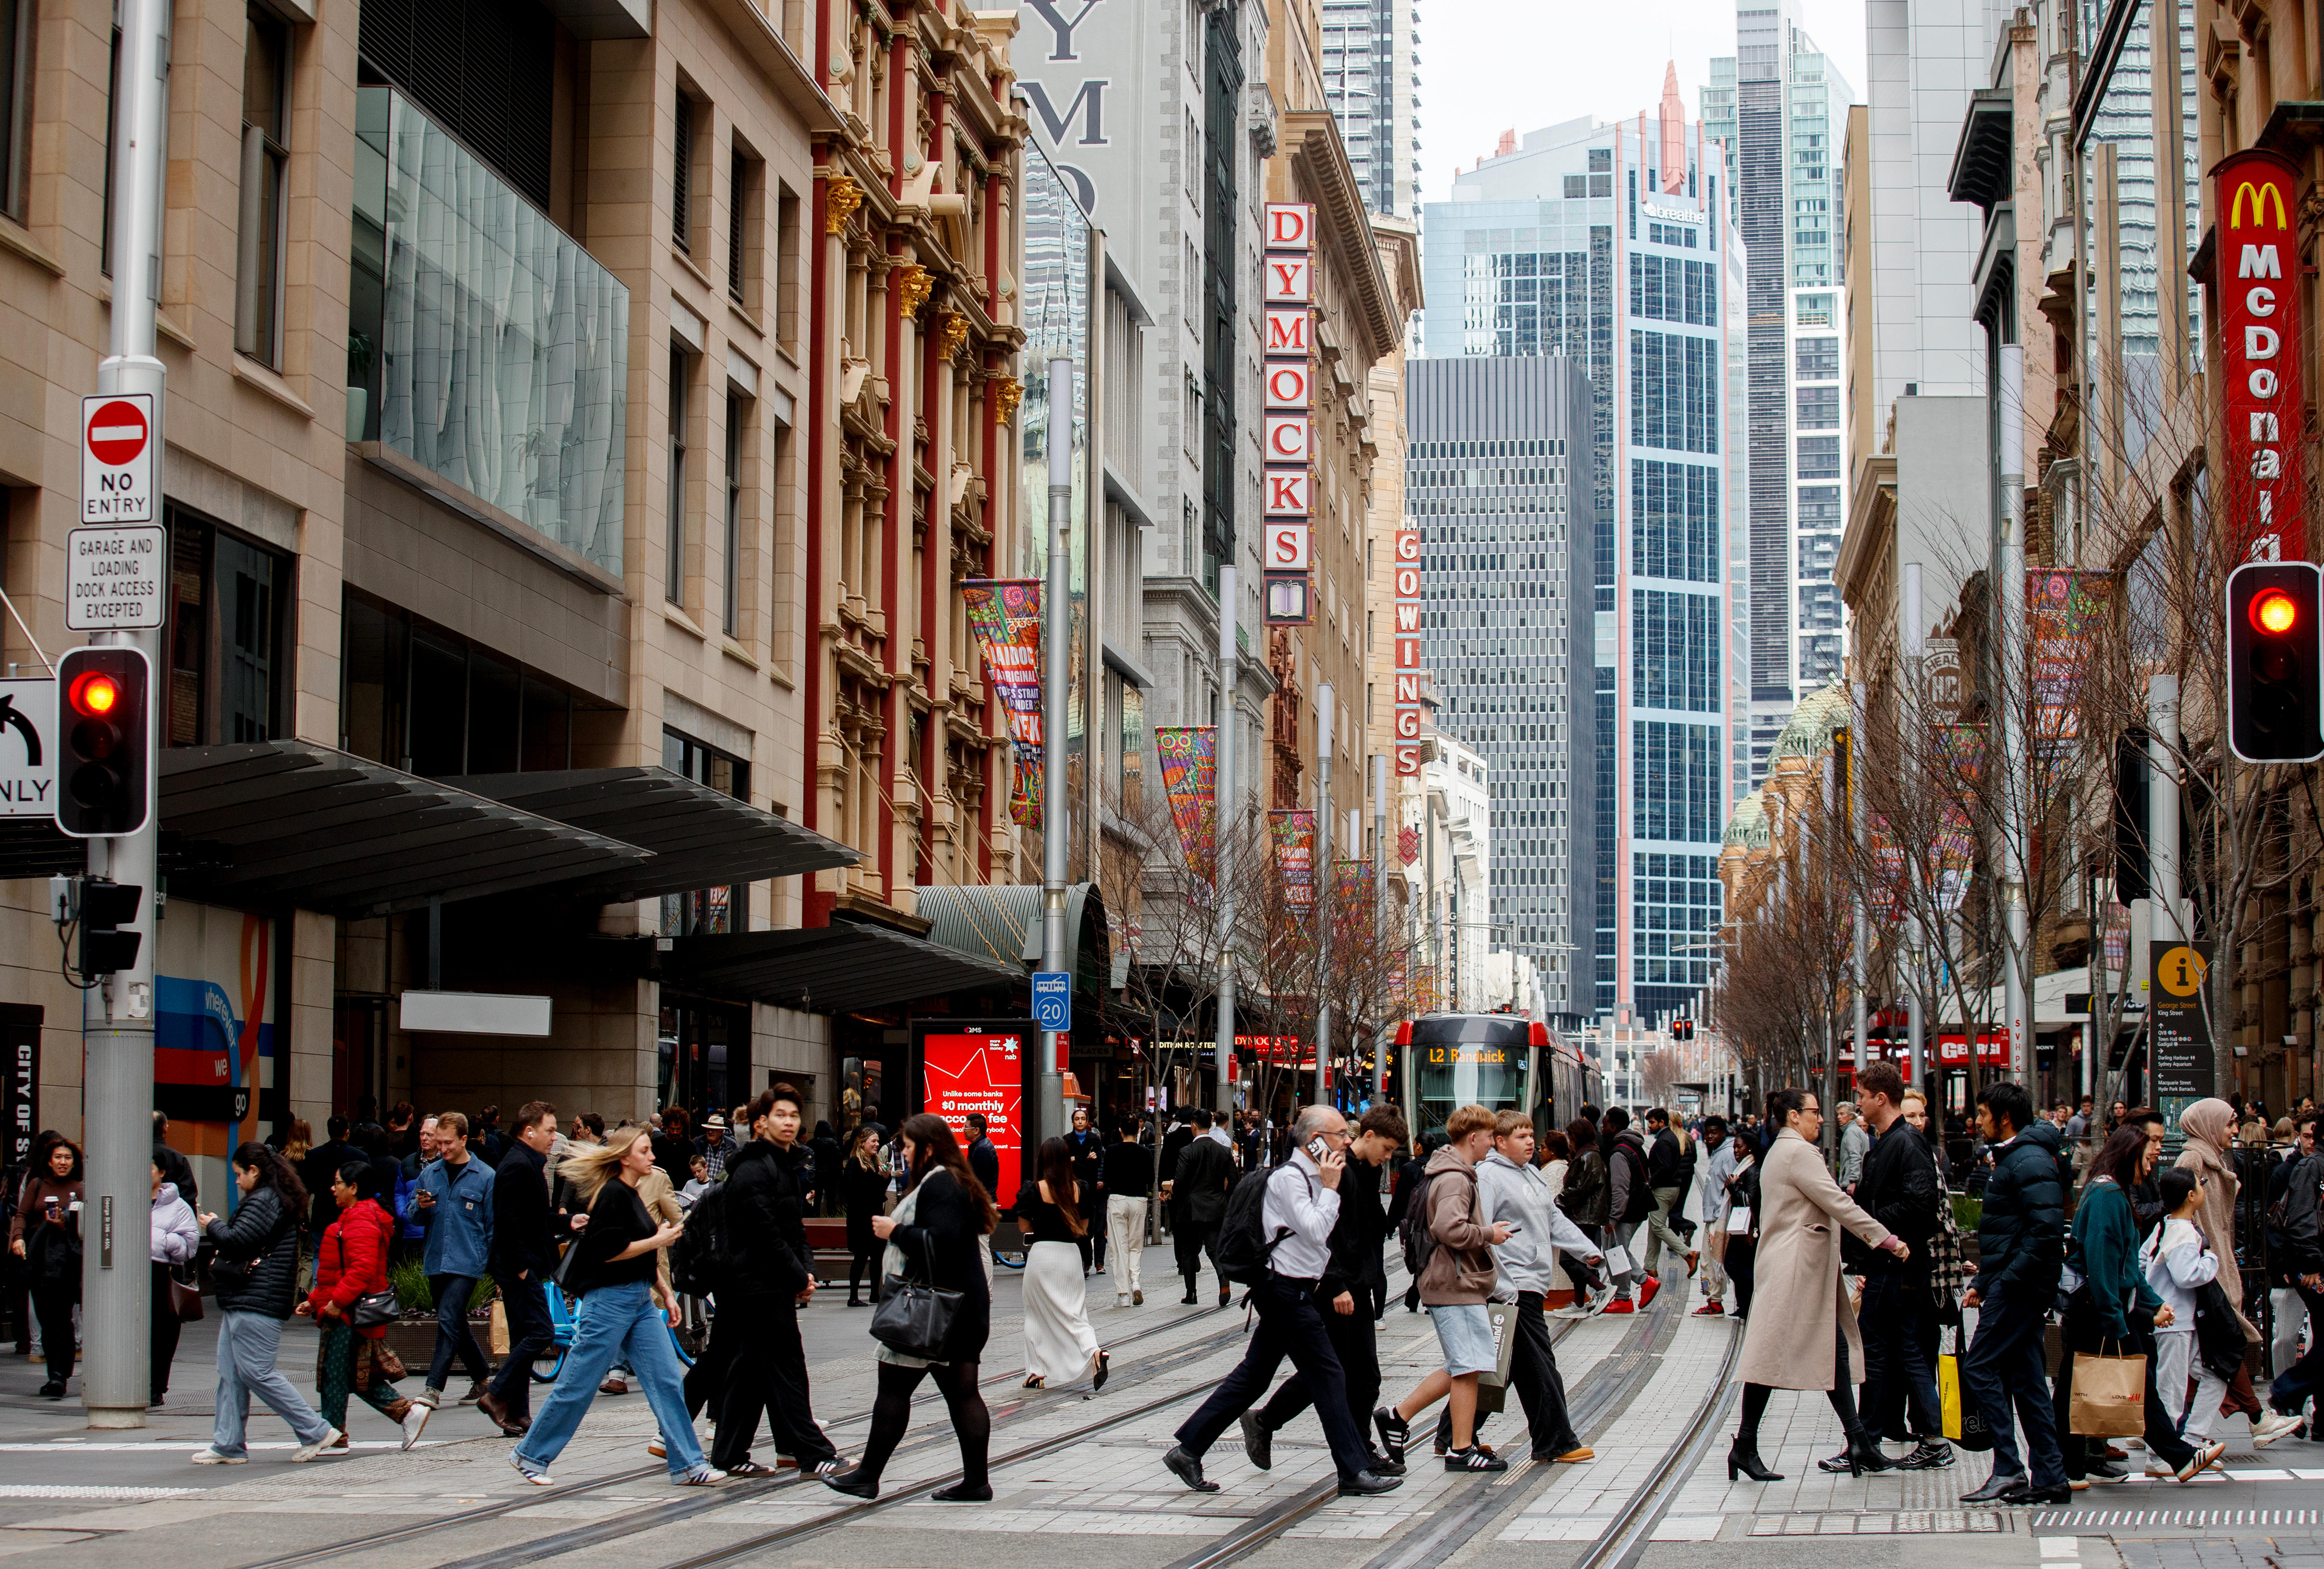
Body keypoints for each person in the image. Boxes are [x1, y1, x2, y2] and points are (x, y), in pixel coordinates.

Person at [1162, 1105, 1400, 1496]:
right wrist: (1330, 1187)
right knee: (1329, 1375)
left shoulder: (1314, 1177)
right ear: (1314, 1141)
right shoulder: (1291, 1180)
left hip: (1295, 1289)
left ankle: (1188, 1449)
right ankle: (1353, 1469)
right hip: (1284, 1291)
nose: (1346, 1140)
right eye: (1340, 1134)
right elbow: (1318, 1230)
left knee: (1253, 1376)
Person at [511, 1124, 715, 1486]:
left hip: (637, 1299)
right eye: (645, 1151)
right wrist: (660, 1238)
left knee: (667, 1380)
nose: (652, 1157)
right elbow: (609, 1252)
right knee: (580, 1382)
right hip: (609, 1300)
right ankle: (531, 1455)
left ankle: (689, 1465)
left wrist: (665, 1293)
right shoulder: (612, 1195)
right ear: (624, 1159)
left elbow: (639, 1250)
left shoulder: (632, 1193)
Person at [1725, 1088, 1907, 1484]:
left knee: (1830, 1348)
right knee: (1770, 1356)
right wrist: (1886, 1239)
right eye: (1813, 1112)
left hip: (1793, 1265)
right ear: (1793, 1116)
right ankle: (1747, 1445)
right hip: (1797, 1267)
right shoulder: (1799, 1153)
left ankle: (1856, 1440)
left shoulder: (1779, 1152)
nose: (1820, 1119)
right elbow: (1837, 1202)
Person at [821, 1113, 995, 1501]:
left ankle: (868, 1475)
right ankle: (976, 1481)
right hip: (958, 1309)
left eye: (908, 1146)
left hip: (932, 1312)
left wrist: (893, 1231)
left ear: (928, 1149)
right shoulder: (953, 1179)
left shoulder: (941, 1183)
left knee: (894, 1387)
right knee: (963, 1393)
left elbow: (943, 1241)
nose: (902, 1152)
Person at [1243, 1106, 1408, 1475]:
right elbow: (1324, 1231)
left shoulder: (1367, 1172)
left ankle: (1350, 1445)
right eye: (1386, 1147)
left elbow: (1363, 1230)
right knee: (1332, 1373)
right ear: (1368, 1136)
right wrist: (1336, 1284)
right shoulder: (1338, 1171)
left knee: (1358, 1376)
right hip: (1335, 1289)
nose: (1388, 1156)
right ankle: (1269, 1422)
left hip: (1357, 1285)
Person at [2052, 1127, 2214, 1490]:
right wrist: (2115, 1319)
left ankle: (2066, 1468)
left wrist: (2153, 1304)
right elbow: (2105, 1262)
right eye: (2149, 1152)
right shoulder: (2110, 1195)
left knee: (2073, 1389)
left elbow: (2122, 1264)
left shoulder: (2108, 1190)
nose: (2153, 1160)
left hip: (2096, 1310)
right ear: (2130, 1155)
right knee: (2135, 1386)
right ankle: (2180, 1457)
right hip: (2101, 1311)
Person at [710, 1085, 844, 1477]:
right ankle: (813, 1453)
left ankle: (729, 1454)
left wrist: (808, 1272)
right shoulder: (752, 1169)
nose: (789, 1122)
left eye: (794, 1116)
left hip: (770, 1283)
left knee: (750, 1372)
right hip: (756, 1285)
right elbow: (765, 1234)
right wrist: (797, 1274)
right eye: (780, 1116)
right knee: (788, 1368)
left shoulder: (786, 1165)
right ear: (760, 1123)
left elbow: (794, 1230)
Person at [1376, 1104, 1517, 1472]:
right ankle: (1458, 1448)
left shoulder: (1450, 1172)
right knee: (1468, 1366)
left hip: (1456, 1281)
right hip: (1453, 1281)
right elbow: (1448, 1228)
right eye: (1489, 1138)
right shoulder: (1455, 1178)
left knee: (1466, 1365)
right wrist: (1490, 1235)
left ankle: (1403, 1419)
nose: (1493, 1145)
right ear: (1474, 1137)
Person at [195, 1144, 343, 1464]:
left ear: (254, 1171)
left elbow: (238, 1240)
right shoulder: (274, 1199)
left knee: (255, 1373)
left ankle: (315, 1430)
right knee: (232, 1373)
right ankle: (228, 1444)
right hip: (250, 1297)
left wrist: (214, 1225)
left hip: (255, 1298)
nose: (236, 1181)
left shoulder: (263, 1200)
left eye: (238, 1174)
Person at [1465, 1110, 1598, 1463]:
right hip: (1513, 1286)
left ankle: (1453, 1432)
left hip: (1532, 1282)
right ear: (1500, 1142)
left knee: (1508, 1367)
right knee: (1541, 1365)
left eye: (1531, 1136)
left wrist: (1587, 1251)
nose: (1530, 1143)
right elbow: (1483, 1234)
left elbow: (1553, 1219)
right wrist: (1503, 1285)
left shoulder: (1534, 1176)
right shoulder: (1490, 1177)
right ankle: (1556, 1440)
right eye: (1521, 1137)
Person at [1958, 1081, 2069, 1504]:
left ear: (2004, 1118)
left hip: (2022, 1288)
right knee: (2028, 1382)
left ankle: (2008, 1468)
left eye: (1983, 1114)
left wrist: (2002, 1282)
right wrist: (1986, 1281)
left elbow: (2043, 1233)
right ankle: (2051, 1476)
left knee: (1980, 1367)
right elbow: (2017, 1232)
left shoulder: (2028, 1160)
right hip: (2018, 1285)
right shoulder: (2021, 1158)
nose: (1978, 1121)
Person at [1849, 1061, 1948, 1472]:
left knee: (1898, 1349)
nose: (1858, 1104)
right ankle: (1874, 1440)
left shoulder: (1906, 1143)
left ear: (1880, 1098)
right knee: (1889, 1348)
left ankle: (1918, 1438)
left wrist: (1871, 1219)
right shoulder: (1888, 1141)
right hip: (1891, 1263)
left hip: (1901, 1266)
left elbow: (1922, 1206)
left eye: (1862, 1097)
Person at [299, 1160, 430, 1450]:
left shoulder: (360, 1218)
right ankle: (339, 1431)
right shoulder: (359, 1216)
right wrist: (315, 1301)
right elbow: (340, 1270)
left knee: (338, 1372)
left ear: (354, 1188)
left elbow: (361, 1269)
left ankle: (340, 1430)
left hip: (349, 1312)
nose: (333, 1189)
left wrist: (335, 1303)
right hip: (347, 1308)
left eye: (339, 1183)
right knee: (346, 1372)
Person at [2177, 1097, 2271, 1436]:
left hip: (2214, 1263)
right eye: (2229, 1123)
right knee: (2223, 1346)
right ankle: (2257, 1418)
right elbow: (2183, 1213)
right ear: (2210, 1124)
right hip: (2206, 1268)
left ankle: (2170, 1429)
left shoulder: (2210, 1161)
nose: (2235, 1130)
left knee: (2203, 1356)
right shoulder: (2193, 1159)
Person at [478, 1101, 566, 1438]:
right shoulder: (518, 1165)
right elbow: (509, 1220)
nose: (554, 1137)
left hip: (519, 1263)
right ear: (529, 1131)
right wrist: (519, 1268)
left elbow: (534, 1218)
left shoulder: (526, 1162)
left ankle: (518, 1413)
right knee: (541, 1332)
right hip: (517, 1265)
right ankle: (497, 1394)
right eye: (549, 1130)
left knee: (522, 1337)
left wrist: (569, 1220)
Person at [403, 1109, 495, 1407]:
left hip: (468, 1261)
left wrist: (495, 1269)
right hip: (436, 1259)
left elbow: (493, 1226)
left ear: (464, 1139)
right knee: (455, 1321)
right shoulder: (429, 1173)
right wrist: (421, 1206)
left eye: (448, 1143)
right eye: (438, 1142)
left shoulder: (486, 1176)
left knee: (448, 1317)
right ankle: (484, 1380)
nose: (441, 1149)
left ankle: (433, 1387)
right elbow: (413, 1215)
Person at [2146, 1166, 2237, 1463]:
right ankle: (2161, 1456)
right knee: (2172, 1388)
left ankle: (2189, 1441)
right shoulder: (2184, 1231)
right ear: (2191, 1195)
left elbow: (2141, 1260)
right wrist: (2211, 1260)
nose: (2203, 1188)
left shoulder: (2164, 1225)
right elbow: (2187, 1276)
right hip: (2177, 1320)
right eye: (2200, 1184)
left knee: (2209, 1374)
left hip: (2177, 1318)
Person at [1010, 1136, 1109, 1389]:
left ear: (1043, 1161)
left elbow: (1024, 1226)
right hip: (1071, 1257)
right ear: (1067, 1161)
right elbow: (1084, 1228)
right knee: (1075, 1312)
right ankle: (1094, 1351)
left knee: (1035, 1313)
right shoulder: (1081, 1188)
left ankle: (1036, 1372)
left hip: (1042, 1255)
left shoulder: (1033, 1189)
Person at [2258, 1119, 2324, 1441]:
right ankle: (2287, 1391)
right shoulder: (2311, 1167)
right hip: (2315, 1267)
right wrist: (2311, 1262)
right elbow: (2300, 1218)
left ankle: (2305, 1404)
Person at [10, 1135, 82, 1398]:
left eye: (68, 1158)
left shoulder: (81, 1189)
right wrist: (18, 1238)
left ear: (74, 1162)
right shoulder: (37, 1184)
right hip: (39, 1259)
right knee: (45, 1318)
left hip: (66, 1262)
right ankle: (54, 1372)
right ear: (50, 1162)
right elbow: (22, 1214)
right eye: (58, 1158)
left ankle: (59, 1376)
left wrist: (64, 1224)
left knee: (62, 1319)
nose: (63, 1162)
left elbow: (84, 1229)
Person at [1168, 1107, 1237, 1305]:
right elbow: (1234, 1180)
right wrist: (1224, 1199)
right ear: (1211, 1125)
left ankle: (1191, 1293)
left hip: (1191, 1208)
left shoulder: (1187, 1151)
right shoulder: (1224, 1151)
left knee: (1189, 1251)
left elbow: (1180, 1182)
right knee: (1214, 1249)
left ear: (1194, 1127)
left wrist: (1174, 1189)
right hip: (1216, 1206)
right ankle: (1223, 1277)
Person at [150, 1158, 199, 1408]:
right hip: (131, 1274)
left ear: (162, 1172)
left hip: (163, 1272)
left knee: (163, 1332)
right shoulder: (126, 1199)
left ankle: (156, 1386)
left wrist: (158, 1239)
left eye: (148, 1167)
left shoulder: (178, 1206)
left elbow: (189, 1245)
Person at [1601, 1108, 1655, 1312]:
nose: (1602, 1128)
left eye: (1605, 1125)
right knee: (1617, 1251)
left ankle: (1626, 1296)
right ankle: (1633, 1288)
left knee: (1615, 1253)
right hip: (1636, 1209)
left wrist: (1613, 1218)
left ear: (1614, 1128)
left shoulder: (1618, 1153)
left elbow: (1620, 1189)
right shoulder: (1635, 1146)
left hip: (1624, 1213)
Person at [1099, 1118, 1155, 1307]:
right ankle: (1136, 1282)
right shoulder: (1145, 1152)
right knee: (1135, 1245)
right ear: (1138, 1131)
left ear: (1121, 1130)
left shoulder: (1112, 1151)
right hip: (1139, 1200)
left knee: (1118, 1246)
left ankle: (1123, 1294)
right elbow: (1150, 1178)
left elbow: (1106, 1177)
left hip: (1118, 1199)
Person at [1555, 1118, 1609, 1315]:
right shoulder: (1588, 1154)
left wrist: (1557, 1202)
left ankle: (1602, 1289)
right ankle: (1579, 1303)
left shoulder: (1588, 1157)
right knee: (1579, 1260)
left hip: (1583, 1216)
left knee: (1568, 1260)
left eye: (1571, 1137)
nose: (1569, 1141)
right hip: (1586, 1215)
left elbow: (1578, 1188)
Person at [1640, 1108, 1697, 1281]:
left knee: (1658, 1226)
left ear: (1662, 1123)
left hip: (1663, 1190)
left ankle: (1689, 1254)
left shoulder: (1663, 1141)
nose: (1649, 1126)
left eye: (1652, 1122)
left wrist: (1651, 1182)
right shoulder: (1671, 1137)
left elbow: (1665, 1167)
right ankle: (1650, 1267)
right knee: (1655, 1227)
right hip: (1672, 1188)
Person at [839, 1124, 889, 1305]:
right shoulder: (855, 1163)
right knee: (860, 1257)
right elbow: (849, 1189)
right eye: (873, 1141)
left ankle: (875, 1294)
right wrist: (874, 1184)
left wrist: (885, 1177)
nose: (877, 1145)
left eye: (878, 1141)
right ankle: (853, 1296)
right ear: (862, 1143)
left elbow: (880, 1188)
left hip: (876, 1215)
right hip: (860, 1217)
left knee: (877, 1257)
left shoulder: (876, 1162)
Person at [1695, 1116, 1736, 1317]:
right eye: (1707, 1133)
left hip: (1720, 1218)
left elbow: (1733, 1184)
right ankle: (1714, 1300)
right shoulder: (1719, 1153)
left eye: (1714, 1133)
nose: (1710, 1137)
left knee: (1713, 1261)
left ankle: (1716, 1302)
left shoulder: (1727, 1154)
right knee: (1707, 1261)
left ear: (1723, 1132)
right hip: (1713, 1217)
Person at [301, 1115, 363, 1238]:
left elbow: (305, 1189)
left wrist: (302, 1216)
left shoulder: (313, 1156)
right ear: (347, 1132)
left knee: (320, 1254)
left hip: (322, 1215)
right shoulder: (360, 1156)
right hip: (351, 1217)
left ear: (329, 1131)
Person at [1065, 1108, 1106, 1274]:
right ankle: (1084, 1262)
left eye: (1083, 1119)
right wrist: (1085, 1159)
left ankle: (1093, 1263)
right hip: (1073, 1187)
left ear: (1087, 1121)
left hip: (1091, 1188)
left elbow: (1097, 1163)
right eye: (1077, 1119)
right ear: (1073, 1121)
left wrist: (1076, 1159)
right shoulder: (1067, 1140)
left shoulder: (1094, 1139)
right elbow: (1065, 1163)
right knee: (1076, 1225)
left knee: (1091, 1227)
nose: (1080, 1122)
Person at [153, 1111, 199, 1210]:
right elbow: (188, 1199)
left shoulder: (132, 1158)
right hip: (174, 1218)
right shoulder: (177, 1158)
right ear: (166, 1128)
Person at [1836, 1101, 1870, 1192]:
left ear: (1851, 1116)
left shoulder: (1852, 1132)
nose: (1839, 1117)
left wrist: (1853, 1181)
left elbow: (1855, 1157)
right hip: (1856, 1183)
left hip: (1851, 1185)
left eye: (1842, 1114)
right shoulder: (1856, 1130)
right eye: (1838, 1114)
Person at [697, 1115, 735, 1181]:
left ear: (721, 1132)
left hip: (721, 1188)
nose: (710, 1132)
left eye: (714, 1130)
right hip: (701, 1185)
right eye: (708, 1129)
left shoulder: (731, 1144)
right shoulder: (699, 1142)